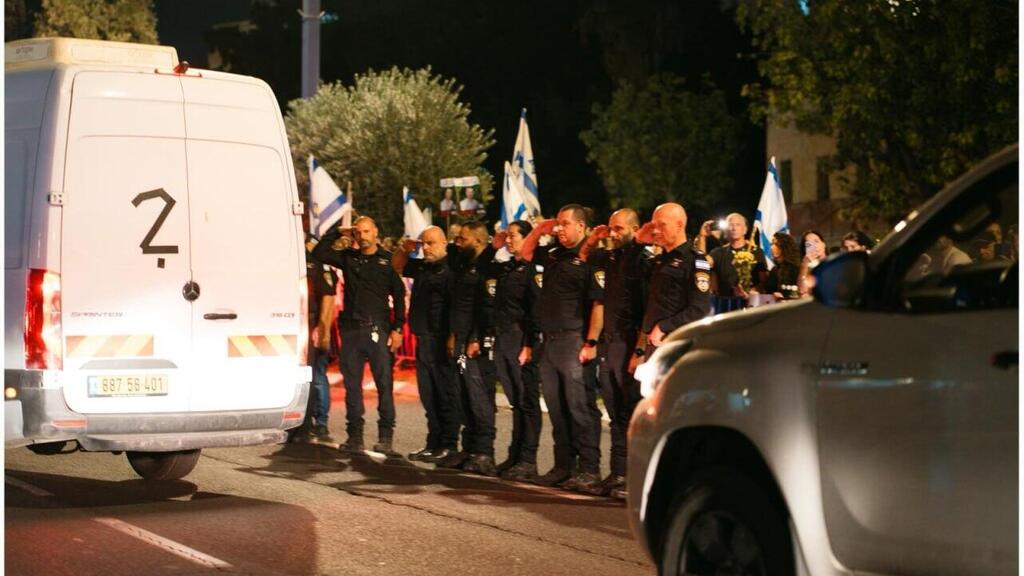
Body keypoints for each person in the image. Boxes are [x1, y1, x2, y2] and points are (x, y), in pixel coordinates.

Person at [520, 205, 604, 493]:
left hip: (574, 340)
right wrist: (538, 230)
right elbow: (525, 254)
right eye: (559, 224)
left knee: (579, 408)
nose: (560, 229)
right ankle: (562, 466)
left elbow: (598, 303)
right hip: (550, 341)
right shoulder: (555, 254)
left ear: (581, 226)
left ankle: (589, 469)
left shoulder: (591, 257)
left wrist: (591, 342)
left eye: (565, 224)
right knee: (556, 409)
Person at [310, 216, 406, 454]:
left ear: (375, 232)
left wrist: (397, 328)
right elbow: (320, 253)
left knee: (384, 385)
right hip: (352, 331)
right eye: (358, 232)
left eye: (366, 231)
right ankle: (355, 437)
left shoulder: (387, 260)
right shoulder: (349, 258)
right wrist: (337, 232)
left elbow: (399, 295)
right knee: (352, 386)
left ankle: (386, 437)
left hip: (377, 330)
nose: (362, 236)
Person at [580, 208, 651, 498]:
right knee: (615, 413)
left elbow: (647, 311)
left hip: (629, 342)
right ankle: (618, 473)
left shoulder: (643, 262)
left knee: (631, 413)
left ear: (635, 229)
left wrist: (640, 349)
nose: (613, 233)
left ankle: (634, 479)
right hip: (610, 343)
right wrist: (593, 237)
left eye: (619, 228)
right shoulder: (611, 258)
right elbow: (583, 256)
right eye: (611, 228)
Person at [436, 220, 498, 475]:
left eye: (463, 238)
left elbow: (486, 309)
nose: (458, 243)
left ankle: (484, 451)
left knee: (479, 397)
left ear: (479, 241)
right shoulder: (465, 265)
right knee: (462, 397)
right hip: (460, 338)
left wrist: (476, 339)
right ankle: (469, 448)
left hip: (476, 342)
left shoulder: (488, 267)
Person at [394, 226, 459, 463]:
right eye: (424, 244)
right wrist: (405, 249)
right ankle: (433, 443)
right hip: (424, 339)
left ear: (444, 243)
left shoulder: (451, 270)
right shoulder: (423, 266)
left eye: (431, 243)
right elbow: (396, 266)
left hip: (441, 340)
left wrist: (453, 336)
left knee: (445, 395)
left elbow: (456, 306)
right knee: (429, 396)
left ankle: (449, 445)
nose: (426, 248)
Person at [488, 220, 543, 482]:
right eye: (507, 236)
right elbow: (483, 272)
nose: (508, 240)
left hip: (522, 340)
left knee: (527, 402)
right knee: (516, 403)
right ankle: (515, 455)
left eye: (513, 236)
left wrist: (529, 344)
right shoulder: (508, 268)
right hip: (504, 339)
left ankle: (528, 460)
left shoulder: (534, 269)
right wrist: (493, 247)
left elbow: (536, 310)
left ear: (527, 238)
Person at [637, 202, 712, 356]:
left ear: (679, 225)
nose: (655, 230)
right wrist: (638, 242)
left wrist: (663, 326)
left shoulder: (694, 260)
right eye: (653, 225)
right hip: (654, 344)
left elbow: (699, 309)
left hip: (676, 344)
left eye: (661, 225)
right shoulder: (660, 260)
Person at [293, 240, 338, 443]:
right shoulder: (292, 263)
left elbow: (328, 296)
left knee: (316, 376)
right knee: (302, 376)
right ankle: (301, 423)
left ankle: (320, 422)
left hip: (312, 325)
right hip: (295, 323)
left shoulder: (316, 264)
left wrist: (322, 328)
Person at [706, 213, 768, 301]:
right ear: (726, 230)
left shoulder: (756, 252)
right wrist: (702, 237)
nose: (734, 228)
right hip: (724, 303)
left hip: (750, 303)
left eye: (738, 225)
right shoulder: (717, 253)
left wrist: (752, 291)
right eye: (731, 225)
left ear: (745, 230)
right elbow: (701, 264)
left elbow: (764, 281)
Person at [764, 232, 801, 300]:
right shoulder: (774, 270)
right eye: (772, 244)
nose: (772, 247)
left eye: (776, 244)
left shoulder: (796, 268)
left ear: (785, 246)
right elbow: (769, 291)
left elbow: (800, 293)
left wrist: (784, 296)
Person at [798, 230, 828, 297]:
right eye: (809, 244)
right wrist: (805, 264)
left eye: (816, 241)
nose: (814, 246)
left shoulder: (832, 263)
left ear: (823, 244)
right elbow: (801, 290)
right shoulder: (806, 268)